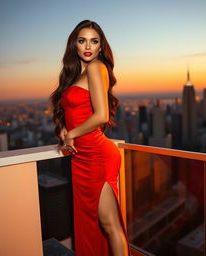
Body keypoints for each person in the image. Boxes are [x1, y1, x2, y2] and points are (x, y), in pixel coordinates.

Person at [50, 19, 130, 256]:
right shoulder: (75, 75)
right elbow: (75, 113)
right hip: (80, 157)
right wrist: (66, 130)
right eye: (82, 40)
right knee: (90, 223)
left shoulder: (97, 67)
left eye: (94, 41)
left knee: (110, 225)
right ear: (73, 44)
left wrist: (72, 133)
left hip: (97, 155)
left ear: (100, 46)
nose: (88, 46)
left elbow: (102, 115)